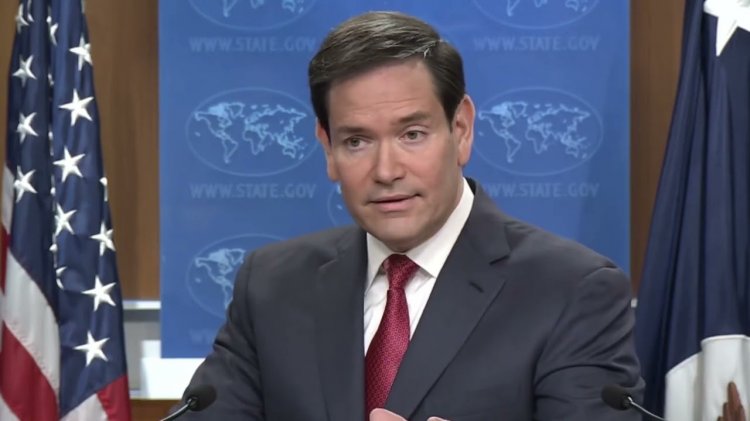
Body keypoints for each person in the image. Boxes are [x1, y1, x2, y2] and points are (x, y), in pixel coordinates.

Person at [177, 11, 644, 420]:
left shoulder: (571, 291)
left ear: (461, 129)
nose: (386, 171)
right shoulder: (272, 286)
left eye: (413, 134)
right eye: (356, 141)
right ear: (328, 149)